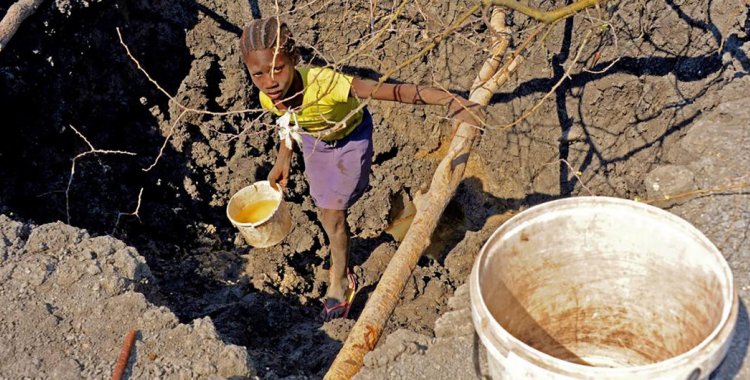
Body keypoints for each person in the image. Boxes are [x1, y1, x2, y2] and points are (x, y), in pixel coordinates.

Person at [240, 18, 483, 321]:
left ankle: (341, 280)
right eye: (258, 73)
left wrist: (450, 100)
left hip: (351, 139)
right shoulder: (269, 96)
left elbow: (394, 92)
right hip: (315, 141)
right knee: (326, 209)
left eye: (278, 68)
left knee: (332, 212)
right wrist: (283, 158)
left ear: (295, 59)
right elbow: (287, 120)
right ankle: (339, 248)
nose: (269, 81)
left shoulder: (327, 85)